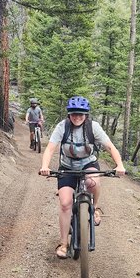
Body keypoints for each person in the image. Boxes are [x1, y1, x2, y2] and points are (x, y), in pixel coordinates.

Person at [39, 96, 126, 259]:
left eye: (81, 114)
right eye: (73, 114)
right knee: (65, 203)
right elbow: (50, 149)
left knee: (92, 182)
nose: (77, 117)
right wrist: (45, 166)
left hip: (88, 164)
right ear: (69, 114)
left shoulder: (93, 127)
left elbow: (109, 146)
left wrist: (119, 165)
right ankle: (64, 244)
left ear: (86, 115)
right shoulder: (62, 127)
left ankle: (95, 208)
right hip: (67, 167)